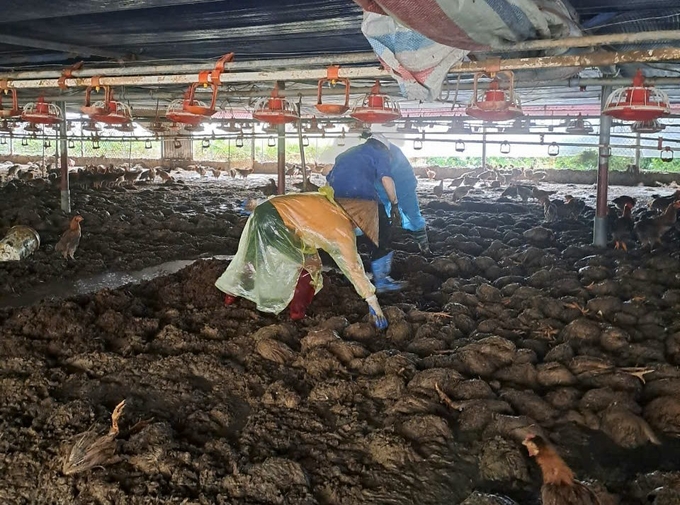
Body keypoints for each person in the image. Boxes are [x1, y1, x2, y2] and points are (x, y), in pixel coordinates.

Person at [215, 189, 389, 329]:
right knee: (309, 267)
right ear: (359, 222)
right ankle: (297, 314)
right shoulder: (343, 230)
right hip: (277, 222)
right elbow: (352, 267)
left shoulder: (326, 202)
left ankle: (230, 297)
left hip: (263, 211)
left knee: (252, 258)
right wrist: (371, 300)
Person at [326, 133, 406, 293]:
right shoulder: (379, 152)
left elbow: (328, 179)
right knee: (382, 231)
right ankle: (381, 281)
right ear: (383, 147)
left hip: (335, 198)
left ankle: (340, 269)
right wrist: (395, 204)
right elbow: (386, 179)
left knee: (343, 233)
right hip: (362, 198)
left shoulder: (347, 153)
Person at [375, 141, 431, 255]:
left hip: (401, 187)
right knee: (385, 217)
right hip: (385, 189)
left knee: (412, 214)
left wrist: (394, 204)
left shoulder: (388, 156)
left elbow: (386, 178)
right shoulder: (384, 153)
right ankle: (382, 245)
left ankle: (424, 247)